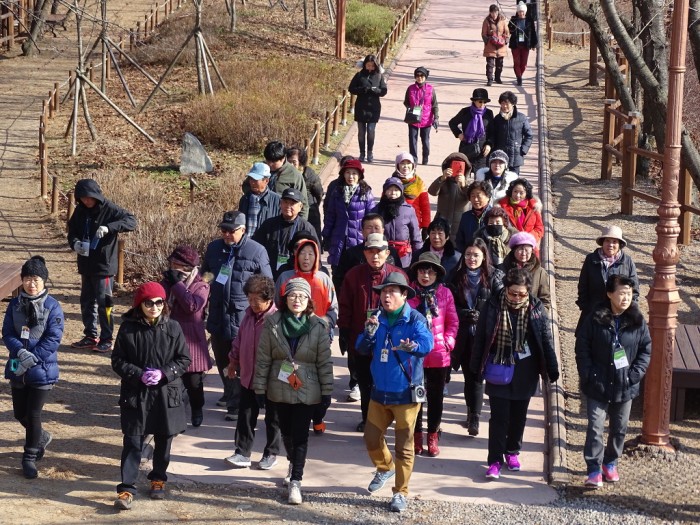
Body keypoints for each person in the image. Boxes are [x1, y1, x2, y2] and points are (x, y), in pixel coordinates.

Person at [470, 268, 559, 480]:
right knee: (499, 418)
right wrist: (475, 368)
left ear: (528, 291)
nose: (517, 297)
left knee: (519, 417)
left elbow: (545, 339)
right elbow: (481, 338)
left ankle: (512, 452)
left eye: (521, 294)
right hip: (499, 366)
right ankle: (494, 461)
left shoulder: (536, 308)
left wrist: (552, 367)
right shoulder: (492, 305)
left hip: (525, 370)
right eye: (512, 293)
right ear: (506, 289)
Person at [356, 272, 433, 513]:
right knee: (371, 438)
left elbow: (427, 344)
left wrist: (414, 346)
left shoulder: (415, 318)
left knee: (404, 447)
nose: (386, 296)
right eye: (383, 292)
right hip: (379, 392)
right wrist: (368, 333)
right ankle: (385, 467)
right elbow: (360, 347)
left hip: (405, 395)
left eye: (391, 292)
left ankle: (400, 492)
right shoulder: (376, 317)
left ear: (404, 295)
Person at [253, 278, 333, 505]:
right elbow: (264, 358)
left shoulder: (318, 326)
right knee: (286, 431)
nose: (297, 300)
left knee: (300, 435)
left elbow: (324, 362)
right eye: (292, 295)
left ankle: (296, 480)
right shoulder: (272, 323)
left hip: (308, 387)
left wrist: (326, 391)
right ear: (285, 298)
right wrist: (259, 387)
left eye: (302, 296)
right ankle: (292, 461)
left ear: (309, 300)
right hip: (279, 386)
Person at [111, 282, 191, 510]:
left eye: (159, 302)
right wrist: (138, 374)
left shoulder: (173, 327)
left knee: (164, 439)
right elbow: (117, 360)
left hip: (166, 393)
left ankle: (158, 479)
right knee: (133, 440)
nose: (154, 307)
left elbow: (183, 359)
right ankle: (127, 488)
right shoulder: (128, 329)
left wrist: (164, 373)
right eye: (149, 303)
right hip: (136, 393)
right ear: (140, 304)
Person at [575, 275, 651, 488]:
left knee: (619, 427)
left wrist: (634, 375)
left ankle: (610, 462)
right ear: (610, 294)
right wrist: (588, 374)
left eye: (629, 293)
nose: (626, 298)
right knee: (595, 427)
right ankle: (593, 469)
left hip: (625, 384)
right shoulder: (595, 318)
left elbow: (645, 349)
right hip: (598, 382)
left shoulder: (637, 320)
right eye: (622, 293)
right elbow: (582, 348)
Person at [202, 210, 272, 421]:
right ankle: (230, 393)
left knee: (241, 360)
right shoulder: (214, 248)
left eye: (231, 231)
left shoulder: (257, 251)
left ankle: (237, 404)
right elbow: (206, 275)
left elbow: (267, 285)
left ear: (243, 230)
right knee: (223, 358)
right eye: (223, 230)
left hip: (243, 317)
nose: (226, 234)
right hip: (218, 314)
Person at [338, 233, 407, 430]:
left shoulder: (397, 276)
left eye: (379, 252)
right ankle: (368, 419)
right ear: (364, 253)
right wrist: (344, 331)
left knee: (387, 381)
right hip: (362, 340)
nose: (375, 256)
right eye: (370, 252)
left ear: (387, 253)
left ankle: (389, 419)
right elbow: (345, 306)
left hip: (390, 342)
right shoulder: (353, 275)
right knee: (365, 383)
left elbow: (407, 308)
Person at [3, 256, 64, 479]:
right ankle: (41, 437)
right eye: (27, 279)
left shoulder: (52, 306)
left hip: (42, 369)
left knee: (33, 413)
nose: (31, 284)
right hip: (18, 366)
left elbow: (53, 338)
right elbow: (7, 332)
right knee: (20, 413)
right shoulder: (14, 304)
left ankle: (29, 457)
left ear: (44, 281)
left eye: (36, 279)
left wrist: (33, 357)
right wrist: (20, 352)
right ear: (22, 280)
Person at [68, 178, 136, 353]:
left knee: (104, 303)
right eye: (83, 198)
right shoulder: (80, 210)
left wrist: (109, 228)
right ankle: (90, 335)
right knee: (86, 301)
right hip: (86, 263)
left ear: (96, 195)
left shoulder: (110, 208)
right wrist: (74, 243)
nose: (87, 201)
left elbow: (131, 221)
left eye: (89, 197)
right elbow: (72, 230)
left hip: (104, 266)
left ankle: (107, 338)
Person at [225, 275, 282, 471]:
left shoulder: (277, 319)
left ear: (268, 298)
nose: (252, 303)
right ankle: (242, 452)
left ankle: (271, 453)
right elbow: (239, 341)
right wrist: (233, 362)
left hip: (271, 380)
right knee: (246, 416)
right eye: (249, 299)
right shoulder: (248, 317)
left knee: (273, 418)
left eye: (257, 299)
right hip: (248, 376)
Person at [449, 239, 504, 436]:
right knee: (469, 376)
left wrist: (482, 315)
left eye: (476, 255)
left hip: (485, 335)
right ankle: (470, 411)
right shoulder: (456, 276)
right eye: (468, 255)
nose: (471, 259)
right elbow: (449, 304)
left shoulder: (495, 277)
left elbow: (501, 305)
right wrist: (463, 314)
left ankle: (475, 417)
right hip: (464, 334)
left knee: (478, 377)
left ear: (484, 257)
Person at [407, 253, 458, 457]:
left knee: (436, 399)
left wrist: (448, 342)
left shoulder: (445, 293)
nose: (425, 276)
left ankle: (433, 436)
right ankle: (416, 436)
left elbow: (453, 322)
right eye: (422, 271)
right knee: (416, 398)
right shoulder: (409, 294)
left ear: (437, 274)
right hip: (415, 356)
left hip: (438, 355)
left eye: (430, 272)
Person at [160, 245, 211, 428]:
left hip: (191, 340)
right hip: (169, 337)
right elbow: (160, 299)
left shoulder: (201, 285)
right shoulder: (169, 281)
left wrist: (177, 285)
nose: (172, 267)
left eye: (176, 264)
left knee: (194, 382)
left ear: (187, 267)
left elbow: (192, 307)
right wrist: (166, 284)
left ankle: (197, 408)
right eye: (172, 263)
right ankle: (173, 413)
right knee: (171, 379)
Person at [576, 225, 639, 335]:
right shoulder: (591, 259)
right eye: (607, 241)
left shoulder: (627, 262)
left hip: (619, 316)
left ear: (619, 244)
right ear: (602, 242)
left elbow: (634, 290)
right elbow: (583, 286)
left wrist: (627, 311)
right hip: (593, 313)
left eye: (614, 242)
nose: (611, 245)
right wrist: (586, 307)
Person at [322, 158, 375, 286]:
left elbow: (371, 219)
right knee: (338, 277)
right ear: (343, 174)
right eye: (348, 173)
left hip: (358, 241)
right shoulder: (337, 192)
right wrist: (326, 236)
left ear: (360, 175)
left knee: (356, 278)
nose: (351, 176)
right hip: (338, 241)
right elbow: (330, 216)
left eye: (354, 173)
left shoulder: (366, 193)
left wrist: (370, 238)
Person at [253, 188, 319, 279]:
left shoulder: (306, 228)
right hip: (269, 274)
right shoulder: (269, 225)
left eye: (292, 203)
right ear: (280, 203)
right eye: (285, 202)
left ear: (300, 206)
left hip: (296, 277)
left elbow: (316, 255)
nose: (288, 206)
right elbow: (257, 249)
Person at [372, 177, 423, 268]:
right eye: (390, 189)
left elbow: (416, 236)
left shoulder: (408, 210)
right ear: (385, 191)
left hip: (403, 255)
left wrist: (418, 256)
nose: (393, 192)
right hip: (383, 252)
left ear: (401, 192)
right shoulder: (377, 210)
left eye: (396, 190)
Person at [348, 54, 387, 163]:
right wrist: (362, 89)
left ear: (376, 66)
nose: (370, 68)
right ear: (364, 65)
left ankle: (370, 152)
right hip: (361, 106)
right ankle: (362, 153)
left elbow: (384, 91)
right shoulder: (359, 75)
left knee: (370, 130)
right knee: (361, 131)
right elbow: (351, 88)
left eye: (372, 66)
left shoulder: (379, 76)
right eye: (368, 65)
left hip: (373, 107)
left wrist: (376, 90)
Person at [428, 152, 472, 242]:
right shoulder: (444, 181)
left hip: (460, 223)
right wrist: (442, 178)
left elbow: (471, 197)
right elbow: (432, 192)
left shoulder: (468, 183)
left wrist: (464, 185)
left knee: (457, 245)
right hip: (442, 220)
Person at [502, 231, 551, 311]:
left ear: (532, 251)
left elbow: (545, 299)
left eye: (527, 250)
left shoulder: (540, 272)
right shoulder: (502, 268)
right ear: (514, 250)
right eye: (520, 249)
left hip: (531, 314)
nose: (524, 253)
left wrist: (539, 314)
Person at [448, 88, 495, 172]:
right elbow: (452, 123)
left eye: (485, 102)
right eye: (480, 101)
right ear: (474, 101)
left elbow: (492, 132)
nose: (482, 104)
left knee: (480, 177)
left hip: (482, 151)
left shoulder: (489, 113)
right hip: (466, 149)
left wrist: (489, 144)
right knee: (462, 175)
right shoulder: (465, 112)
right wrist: (459, 134)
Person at [487, 91, 533, 174]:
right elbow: (493, 135)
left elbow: (529, 135)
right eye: (502, 103)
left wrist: (523, 149)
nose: (504, 106)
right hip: (500, 157)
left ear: (513, 104)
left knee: (514, 180)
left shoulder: (521, 118)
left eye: (507, 104)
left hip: (515, 156)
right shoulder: (497, 119)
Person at [263, 140, 309, 219]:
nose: (270, 164)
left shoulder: (294, 175)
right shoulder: (261, 168)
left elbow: (303, 204)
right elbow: (247, 186)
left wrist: (300, 224)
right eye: (268, 160)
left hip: (282, 218)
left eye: (273, 162)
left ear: (283, 159)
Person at [403, 67, 439, 165]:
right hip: (413, 118)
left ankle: (425, 157)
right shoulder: (410, 88)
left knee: (425, 141)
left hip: (426, 119)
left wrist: (436, 118)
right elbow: (406, 102)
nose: (419, 78)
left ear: (425, 77)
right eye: (417, 76)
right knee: (412, 140)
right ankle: (414, 159)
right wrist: (412, 108)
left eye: (422, 76)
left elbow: (435, 105)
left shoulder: (430, 89)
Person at [287, 146, 323, 241]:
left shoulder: (310, 176)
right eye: (289, 162)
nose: (291, 165)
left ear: (301, 162)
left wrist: (312, 205)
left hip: (310, 211)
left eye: (294, 162)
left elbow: (319, 194)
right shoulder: (286, 175)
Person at [497, 177, 544, 250]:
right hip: (509, 246)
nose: (517, 195)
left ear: (526, 193)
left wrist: (527, 238)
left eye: (521, 193)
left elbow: (539, 228)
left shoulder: (534, 207)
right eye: (515, 191)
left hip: (529, 245)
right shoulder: (502, 207)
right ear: (511, 191)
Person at [238, 162, 281, 238]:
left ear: (266, 181)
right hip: (246, 242)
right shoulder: (245, 198)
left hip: (266, 243)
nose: (252, 182)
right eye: (251, 179)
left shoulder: (277, 200)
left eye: (255, 180)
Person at [393, 152, 431, 235]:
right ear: (397, 165)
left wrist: (426, 226)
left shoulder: (419, 184)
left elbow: (425, 207)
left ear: (413, 165)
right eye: (402, 163)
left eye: (408, 163)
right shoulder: (392, 183)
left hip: (414, 226)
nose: (405, 166)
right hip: (395, 225)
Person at [411, 216, 461, 281]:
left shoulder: (457, 258)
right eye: (433, 233)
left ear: (447, 237)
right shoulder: (418, 255)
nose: (436, 237)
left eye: (440, 233)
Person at [455, 180, 493, 254]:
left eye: (479, 196)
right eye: (473, 196)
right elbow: (459, 240)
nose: (475, 199)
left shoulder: (494, 215)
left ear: (488, 197)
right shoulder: (465, 217)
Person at [508, 2, 538, 86]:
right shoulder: (514, 19)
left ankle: (520, 75)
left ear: (525, 12)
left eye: (522, 11)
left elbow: (533, 32)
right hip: (515, 44)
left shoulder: (529, 20)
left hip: (525, 44)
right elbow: (509, 30)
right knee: (517, 62)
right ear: (517, 12)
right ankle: (519, 78)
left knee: (524, 64)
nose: (521, 13)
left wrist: (534, 44)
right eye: (519, 11)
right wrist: (513, 27)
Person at [482, 4, 509, 86]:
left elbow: (506, 32)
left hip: (501, 45)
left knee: (499, 64)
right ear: (490, 12)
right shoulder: (486, 21)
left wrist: (505, 40)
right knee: (490, 64)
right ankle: (490, 79)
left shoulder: (502, 20)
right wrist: (488, 40)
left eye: (496, 13)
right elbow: (484, 33)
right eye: (492, 13)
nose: (494, 14)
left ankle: (497, 77)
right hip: (490, 46)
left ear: (498, 12)